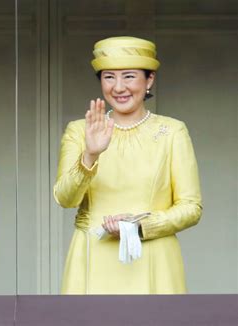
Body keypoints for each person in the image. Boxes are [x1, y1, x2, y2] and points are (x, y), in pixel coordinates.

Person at [53, 36, 202, 294]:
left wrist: (140, 227)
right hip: (93, 258)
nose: (119, 87)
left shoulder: (172, 131)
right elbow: (65, 199)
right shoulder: (80, 131)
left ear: (149, 79)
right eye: (109, 77)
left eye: (130, 77)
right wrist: (90, 155)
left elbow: (191, 207)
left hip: (154, 258)